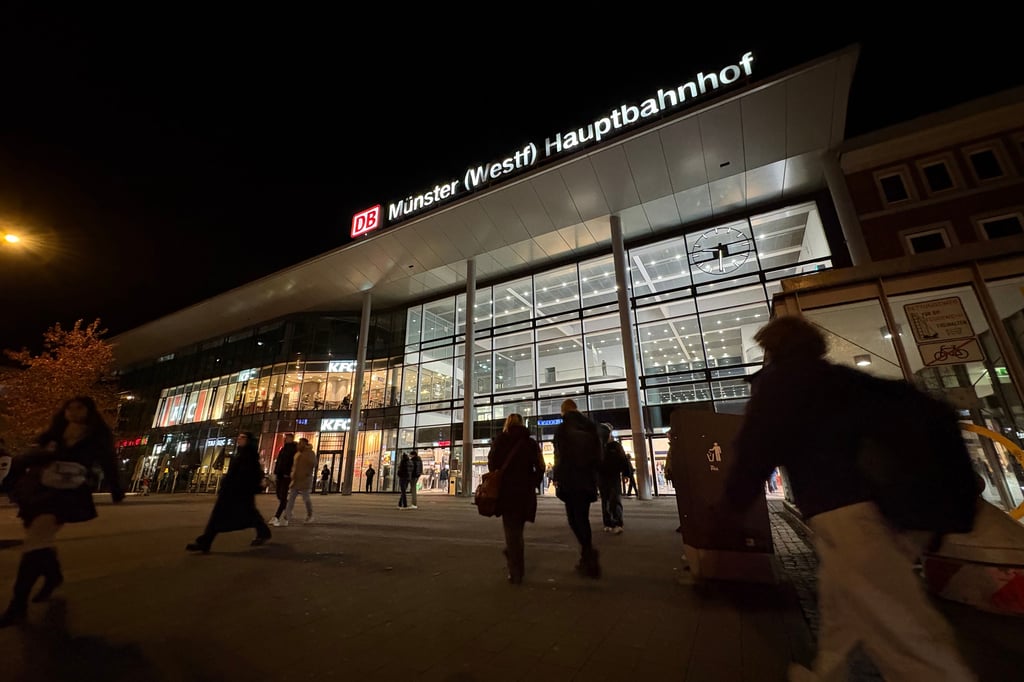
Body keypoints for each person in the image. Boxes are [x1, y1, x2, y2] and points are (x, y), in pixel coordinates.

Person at [724, 315, 976, 682]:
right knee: (842, 602)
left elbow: (756, 448)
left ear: (772, 348)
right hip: (894, 508)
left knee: (902, 628)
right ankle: (829, 673)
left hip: (850, 511)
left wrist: (731, 505)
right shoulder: (847, 381)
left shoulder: (786, 382)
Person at [1, 396, 125, 627]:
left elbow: (109, 461)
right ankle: (52, 575)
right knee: (39, 539)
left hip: (67, 492)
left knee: (36, 540)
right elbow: (36, 452)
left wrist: (116, 488)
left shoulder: (96, 436)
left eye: (79, 407)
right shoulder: (56, 431)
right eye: (70, 407)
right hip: (40, 487)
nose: (73, 411)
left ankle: (18, 604)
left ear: (89, 411)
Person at [186, 432, 271, 554]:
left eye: (242, 437)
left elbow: (250, 474)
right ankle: (205, 541)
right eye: (239, 437)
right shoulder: (241, 453)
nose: (239, 439)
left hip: (239, 492)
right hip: (232, 491)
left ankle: (206, 541)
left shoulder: (249, 456)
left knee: (247, 514)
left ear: (248, 440)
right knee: (222, 516)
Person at [488, 413, 545, 584]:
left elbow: (492, 464)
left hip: (507, 492)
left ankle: (516, 570)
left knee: (512, 531)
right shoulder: (530, 443)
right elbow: (540, 466)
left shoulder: (500, 441)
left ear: (507, 424)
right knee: (517, 530)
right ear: (522, 423)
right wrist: (533, 482)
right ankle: (514, 559)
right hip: (525, 492)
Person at [552, 398, 603, 578]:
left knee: (574, 519)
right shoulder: (590, 426)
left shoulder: (562, 428)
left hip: (570, 479)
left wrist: (556, 476)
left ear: (563, 411)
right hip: (587, 480)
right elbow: (598, 455)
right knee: (583, 517)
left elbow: (560, 455)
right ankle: (587, 554)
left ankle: (588, 553)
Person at [597, 423, 628, 534]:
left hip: (613, 476)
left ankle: (618, 522)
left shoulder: (615, 446)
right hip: (602, 477)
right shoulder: (599, 447)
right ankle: (608, 522)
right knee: (605, 501)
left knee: (615, 499)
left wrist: (626, 473)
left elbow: (623, 460)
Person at [284, 437, 316, 525]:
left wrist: (306, 473)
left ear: (305, 444)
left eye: (301, 443)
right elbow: (295, 466)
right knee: (291, 498)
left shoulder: (310, 453)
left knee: (306, 498)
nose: (299, 445)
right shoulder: (297, 454)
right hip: (296, 479)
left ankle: (310, 514)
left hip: (305, 479)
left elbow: (312, 464)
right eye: (299, 443)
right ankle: (287, 514)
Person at [270, 433, 297, 527]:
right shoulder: (283, 449)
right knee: (279, 495)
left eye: (288, 438)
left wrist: (289, 473)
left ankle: (277, 517)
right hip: (280, 475)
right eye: (286, 438)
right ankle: (288, 510)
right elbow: (279, 461)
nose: (286, 439)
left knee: (283, 496)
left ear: (292, 439)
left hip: (286, 476)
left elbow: (293, 463)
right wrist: (275, 472)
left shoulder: (294, 449)